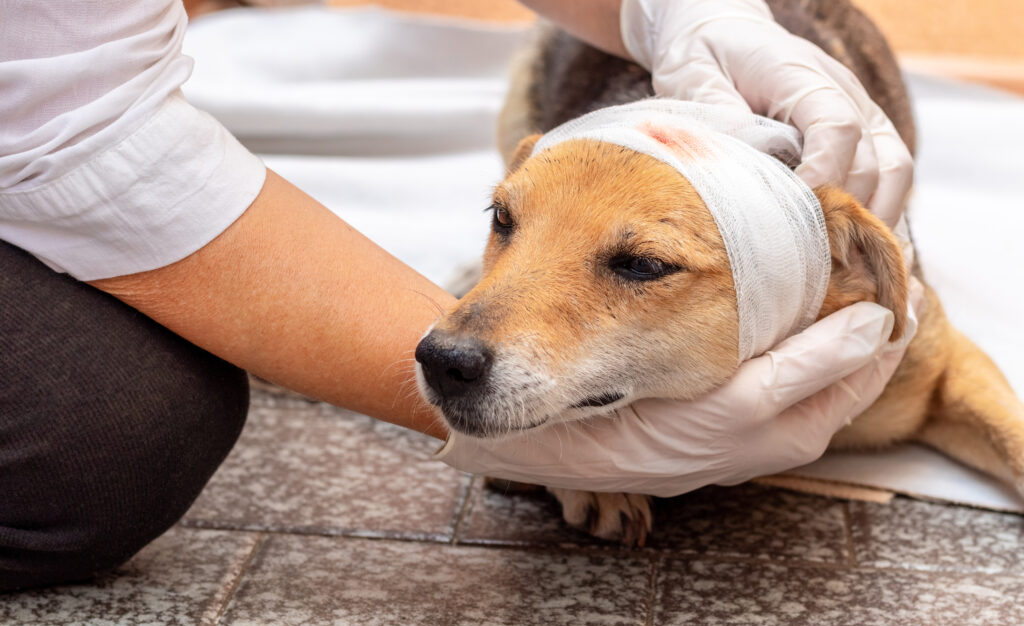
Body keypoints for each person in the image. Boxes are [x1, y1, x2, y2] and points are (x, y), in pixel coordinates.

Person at [0, 0, 913, 590]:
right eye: (503, 218)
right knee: (104, 440)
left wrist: (668, 10)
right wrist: (566, 432)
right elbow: (72, 134)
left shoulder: (854, 273)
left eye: (637, 265)